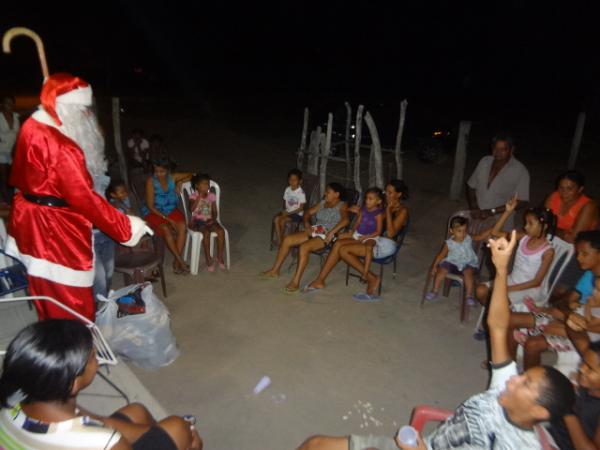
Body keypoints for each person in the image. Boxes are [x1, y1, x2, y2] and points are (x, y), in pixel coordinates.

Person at [297, 231, 576, 450]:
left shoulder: (516, 445)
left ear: (537, 410)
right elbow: (499, 325)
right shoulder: (502, 389)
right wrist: (501, 271)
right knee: (315, 445)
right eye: (522, 376)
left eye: (525, 383)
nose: (514, 378)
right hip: (422, 444)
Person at [5, 73, 151, 321]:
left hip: (30, 222)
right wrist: (126, 227)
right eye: (83, 108)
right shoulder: (63, 146)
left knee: (46, 298)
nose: (88, 115)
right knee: (74, 307)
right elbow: (83, 198)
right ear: (67, 108)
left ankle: (58, 347)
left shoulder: (32, 125)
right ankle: (78, 353)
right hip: (55, 232)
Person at [0, 320, 202, 450]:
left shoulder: (11, 411)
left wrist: (155, 432)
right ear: (74, 383)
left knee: (136, 411)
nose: (97, 358)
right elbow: (106, 435)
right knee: (179, 428)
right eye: (93, 356)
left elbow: (94, 419)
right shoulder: (103, 442)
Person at [506, 231, 600, 369]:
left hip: (584, 333)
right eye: (577, 253)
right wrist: (567, 313)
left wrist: (567, 315)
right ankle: (507, 367)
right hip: (565, 317)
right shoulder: (589, 274)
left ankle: (532, 381)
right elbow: (564, 302)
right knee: (509, 319)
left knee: (532, 344)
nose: (579, 258)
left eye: (585, 254)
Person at [305, 180, 409, 301]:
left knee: (342, 249)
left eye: (390, 193)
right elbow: (370, 217)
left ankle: (371, 278)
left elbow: (391, 234)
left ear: (399, 194)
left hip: (384, 244)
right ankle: (320, 280)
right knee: (338, 244)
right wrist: (360, 211)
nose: (386, 194)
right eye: (386, 191)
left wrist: (388, 211)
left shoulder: (402, 211)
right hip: (369, 237)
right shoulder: (382, 204)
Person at [260, 182, 348, 293]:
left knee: (304, 247)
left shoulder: (342, 205)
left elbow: (345, 220)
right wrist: (306, 223)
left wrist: (332, 233)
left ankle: (295, 282)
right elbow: (308, 212)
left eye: (328, 192)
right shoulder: (323, 202)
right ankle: (275, 271)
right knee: (287, 240)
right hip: (317, 229)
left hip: (328, 234)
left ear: (337, 194)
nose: (325, 193)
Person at [475, 196, 556, 310]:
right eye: (526, 222)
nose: (525, 226)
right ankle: (496, 318)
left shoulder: (547, 251)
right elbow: (495, 232)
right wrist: (508, 211)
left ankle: (499, 320)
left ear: (545, 226)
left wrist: (507, 289)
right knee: (480, 290)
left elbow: (536, 282)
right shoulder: (524, 237)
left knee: (499, 298)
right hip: (512, 280)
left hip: (529, 288)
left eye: (530, 223)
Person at [302, 187, 384, 294]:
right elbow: (358, 222)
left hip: (370, 240)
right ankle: (320, 280)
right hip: (349, 233)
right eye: (366, 198)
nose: (367, 201)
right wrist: (353, 228)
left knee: (340, 248)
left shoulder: (379, 212)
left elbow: (380, 230)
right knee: (337, 243)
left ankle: (369, 277)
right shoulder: (363, 208)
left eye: (370, 199)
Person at [548, 316, 600, 449]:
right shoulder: (589, 381)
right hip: (553, 428)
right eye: (583, 363)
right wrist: (573, 322)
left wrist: (568, 411)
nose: (581, 369)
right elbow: (578, 337)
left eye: (590, 368)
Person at [467, 133, 530, 231]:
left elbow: (522, 202)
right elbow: (471, 186)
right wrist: (474, 206)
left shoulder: (520, 171)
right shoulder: (485, 161)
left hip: (501, 221)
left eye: (503, 149)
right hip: (477, 216)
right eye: (495, 148)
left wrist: (492, 211)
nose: (498, 152)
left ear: (511, 150)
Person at [142, 157, 192, 274]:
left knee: (182, 226)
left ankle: (176, 262)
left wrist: (180, 182)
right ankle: (180, 261)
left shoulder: (173, 177)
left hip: (170, 209)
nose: (158, 174)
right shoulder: (151, 181)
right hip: (154, 212)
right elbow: (150, 206)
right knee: (165, 228)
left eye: (162, 171)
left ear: (168, 171)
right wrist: (168, 220)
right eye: (156, 171)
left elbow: (191, 174)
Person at [424, 216, 482, 306]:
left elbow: (479, 237)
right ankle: (434, 290)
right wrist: (434, 266)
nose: (463, 233)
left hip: (467, 263)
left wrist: (489, 232)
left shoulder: (468, 237)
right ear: (451, 231)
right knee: (441, 270)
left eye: (465, 230)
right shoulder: (449, 243)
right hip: (452, 263)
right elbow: (441, 255)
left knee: (468, 273)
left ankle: (469, 295)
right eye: (459, 231)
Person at [545, 170, 598, 244]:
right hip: (554, 237)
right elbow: (542, 223)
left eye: (569, 189)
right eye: (561, 187)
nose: (564, 192)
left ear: (580, 189)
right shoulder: (553, 196)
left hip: (580, 246)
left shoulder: (588, 206)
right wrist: (563, 233)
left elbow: (574, 238)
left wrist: (549, 229)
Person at [189, 173, 226, 272]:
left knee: (221, 231)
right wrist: (198, 198)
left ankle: (219, 256)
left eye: (208, 184)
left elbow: (214, 211)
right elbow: (191, 209)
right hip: (198, 221)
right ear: (197, 186)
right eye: (204, 184)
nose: (207, 186)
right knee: (206, 233)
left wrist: (213, 219)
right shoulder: (193, 196)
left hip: (210, 220)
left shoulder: (211, 196)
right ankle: (208, 259)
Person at [273, 169, 306, 246]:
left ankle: (279, 240)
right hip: (288, 211)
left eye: (295, 180)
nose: (292, 181)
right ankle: (280, 239)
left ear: (300, 181)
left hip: (297, 214)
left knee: (282, 221)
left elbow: (301, 208)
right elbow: (285, 200)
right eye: (290, 179)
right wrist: (284, 210)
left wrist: (288, 213)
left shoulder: (301, 193)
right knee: (276, 219)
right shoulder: (287, 189)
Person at [0, 95, 19, 203]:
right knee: (3, 176)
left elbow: (28, 111)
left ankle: (12, 197)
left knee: (12, 176)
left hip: (13, 151)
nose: (9, 105)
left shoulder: (15, 116)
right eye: (7, 103)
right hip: (1, 150)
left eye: (11, 103)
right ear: (2, 104)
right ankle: (5, 199)